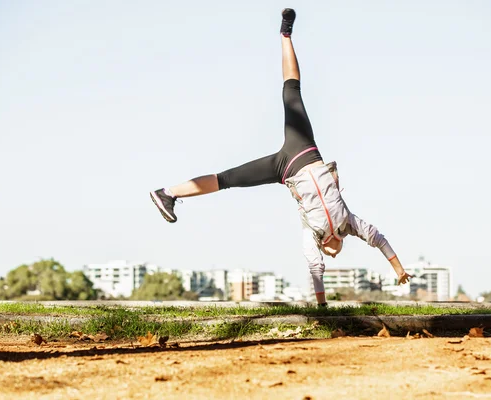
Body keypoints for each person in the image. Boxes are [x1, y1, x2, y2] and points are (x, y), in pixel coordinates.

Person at [150, 8, 412, 306]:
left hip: (284, 169)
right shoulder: (350, 224)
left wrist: (322, 305)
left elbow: (315, 269)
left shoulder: (311, 235)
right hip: (305, 150)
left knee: (227, 179)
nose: (333, 252)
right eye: (334, 251)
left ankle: (166, 193)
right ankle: (286, 34)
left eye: (330, 253)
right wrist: (399, 269)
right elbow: (378, 238)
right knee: (292, 92)